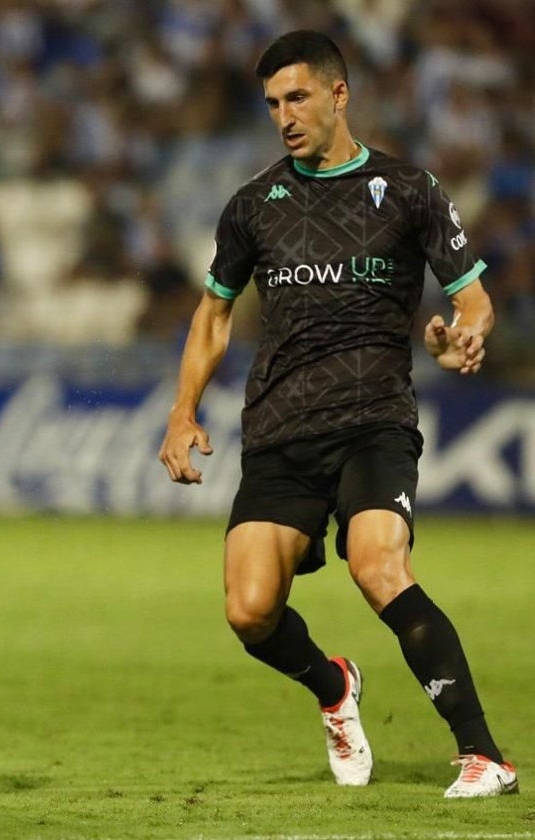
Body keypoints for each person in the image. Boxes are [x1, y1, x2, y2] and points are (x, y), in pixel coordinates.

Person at [157, 31, 517, 798]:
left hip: (373, 421)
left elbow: (475, 300)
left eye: (297, 98)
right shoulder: (254, 205)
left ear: (338, 94)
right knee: (250, 612)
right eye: (272, 105)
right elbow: (213, 316)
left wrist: (464, 338)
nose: (284, 116)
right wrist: (182, 411)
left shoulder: (409, 189)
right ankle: (333, 686)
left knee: (379, 566)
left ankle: (484, 754)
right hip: (281, 429)